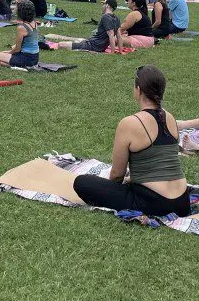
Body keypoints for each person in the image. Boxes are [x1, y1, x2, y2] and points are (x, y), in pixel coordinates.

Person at [71, 65, 191, 217]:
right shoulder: (170, 118)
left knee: (82, 183)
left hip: (155, 204)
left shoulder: (130, 123)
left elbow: (116, 175)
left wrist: (112, 191)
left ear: (138, 90)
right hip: (182, 202)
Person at [52, 0, 122, 52]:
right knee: (79, 40)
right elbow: (119, 36)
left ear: (107, 5)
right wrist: (120, 51)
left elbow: (111, 35)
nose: (102, 6)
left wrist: (112, 53)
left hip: (93, 46)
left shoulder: (106, 17)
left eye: (104, 4)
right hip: (95, 44)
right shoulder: (117, 18)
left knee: (61, 44)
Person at [0, 1, 41, 68]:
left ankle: (19, 67)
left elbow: (17, 49)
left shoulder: (22, 27)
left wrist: (9, 53)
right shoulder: (34, 23)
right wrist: (7, 52)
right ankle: (22, 66)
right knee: (1, 53)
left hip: (25, 58)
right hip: (35, 58)